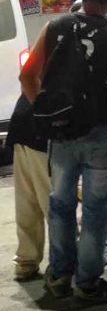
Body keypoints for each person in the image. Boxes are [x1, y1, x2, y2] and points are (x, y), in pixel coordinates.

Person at [19, 0, 107, 303]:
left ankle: (58, 278)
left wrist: (44, 110)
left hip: (61, 135)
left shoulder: (54, 26)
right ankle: (87, 284)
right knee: (97, 212)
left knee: (60, 207)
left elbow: (28, 76)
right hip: (100, 136)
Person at [8, 94, 50, 281]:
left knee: (27, 201)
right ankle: (67, 264)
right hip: (44, 129)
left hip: (22, 121)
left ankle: (26, 260)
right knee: (55, 204)